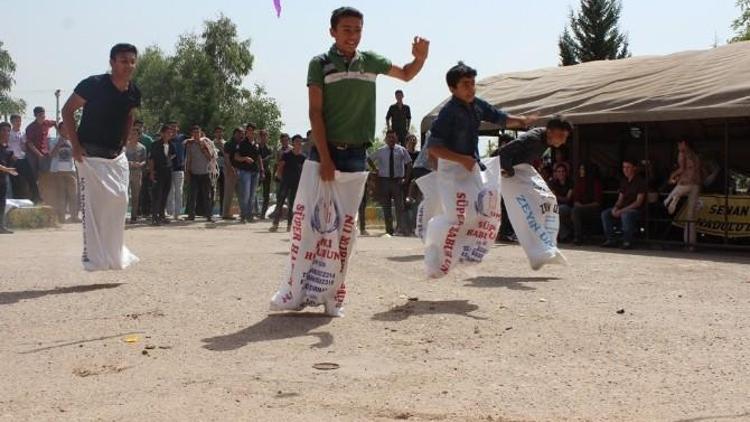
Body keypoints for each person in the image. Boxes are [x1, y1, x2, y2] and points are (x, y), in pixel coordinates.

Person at [301, 6, 429, 315]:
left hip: (357, 154)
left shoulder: (370, 60)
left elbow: (407, 74)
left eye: (358, 29)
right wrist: (327, 158)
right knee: (314, 224)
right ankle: (301, 289)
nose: (352, 35)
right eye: (346, 29)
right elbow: (315, 112)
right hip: (324, 152)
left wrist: (421, 57)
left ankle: (333, 295)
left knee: (346, 228)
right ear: (332, 31)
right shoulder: (319, 64)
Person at [61, 43, 142, 270]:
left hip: (116, 155)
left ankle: (114, 256)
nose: (129, 65)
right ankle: (93, 259)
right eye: (124, 61)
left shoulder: (134, 92)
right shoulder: (94, 85)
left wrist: (125, 141)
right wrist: (75, 146)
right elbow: (67, 110)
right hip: (90, 155)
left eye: (132, 61)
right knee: (93, 208)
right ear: (112, 62)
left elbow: (129, 116)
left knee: (120, 201)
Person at [428, 62, 540, 173]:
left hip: (473, 168)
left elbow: (501, 118)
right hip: (452, 173)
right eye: (465, 84)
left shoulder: (478, 105)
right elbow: (433, 148)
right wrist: (462, 160)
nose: (471, 88)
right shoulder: (448, 112)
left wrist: (522, 120)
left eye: (473, 83)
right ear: (452, 89)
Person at [368, 129, 412, 235]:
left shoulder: (401, 150)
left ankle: (400, 229)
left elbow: (409, 164)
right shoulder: (381, 150)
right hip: (384, 181)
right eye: (389, 137)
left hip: (398, 181)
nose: (391, 139)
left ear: (396, 138)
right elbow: (369, 159)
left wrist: (406, 178)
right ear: (386, 139)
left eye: (393, 137)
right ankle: (389, 230)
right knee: (386, 207)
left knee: (399, 207)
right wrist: (375, 169)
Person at [601, 159, 647, 250]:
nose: (625, 170)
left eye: (628, 167)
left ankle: (627, 241)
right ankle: (611, 239)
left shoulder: (641, 182)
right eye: (624, 167)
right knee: (605, 213)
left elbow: (638, 202)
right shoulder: (624, 181)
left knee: (626, 215)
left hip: (636, 210)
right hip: (623, 208)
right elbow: (620, 198)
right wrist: (616, 207)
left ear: (634, 168)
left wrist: (622, 210)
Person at [664, 139, 702, 249]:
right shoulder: (696, 156)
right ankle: (690, 245)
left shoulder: (682, 153)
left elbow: (682, 169)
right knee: (690, 217)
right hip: (696, 184)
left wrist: (672, 175)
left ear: (684, 143)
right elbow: (695, 170)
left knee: (667, 200)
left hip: (686, 183)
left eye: (679, 144)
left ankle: (674, 198)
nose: (678, 146)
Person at [270, 134, 306, 232]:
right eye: (297, 141)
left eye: (300, 141)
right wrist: (279, 177)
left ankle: (290, 225)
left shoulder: (303, 157)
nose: (299, 143)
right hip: (285, 182)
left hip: (296, 183)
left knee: (292, 204)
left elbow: (304, 171)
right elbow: (280, 167)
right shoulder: (286, 155)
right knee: (280, 203)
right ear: (293, 143)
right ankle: (275, 224)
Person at [47, 122, 80, 223]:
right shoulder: (54, 140)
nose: (66, 131)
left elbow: (77, 155)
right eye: (64, 129)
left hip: (71, 170)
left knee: (73, 194)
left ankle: (74, 216)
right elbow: (51, 155)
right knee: (60, 194)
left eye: (68, 128)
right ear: (60, 130)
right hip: (58, 170)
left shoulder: (73, 141)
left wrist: (72, 144)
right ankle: (61, 217)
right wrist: (59, 144)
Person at [25, 106, 57, 204]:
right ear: (35, 115)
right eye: (40, 115)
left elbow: (55, 123)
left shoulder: (46, 123)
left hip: (45, 153)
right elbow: (29, 143)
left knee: (45, 176)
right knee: (33, 176)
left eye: (43, 114)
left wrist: (60, 134)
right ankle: (33, 198)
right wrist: (38, 154)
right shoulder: (30, 127)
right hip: (33, 154)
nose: (42, 116)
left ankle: (44, 198)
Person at [184, 125, 216, 222]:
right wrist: (187, 171)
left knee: (207, 195)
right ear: (192, 134)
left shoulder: (206, 143)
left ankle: (209, 215)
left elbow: (210, 157)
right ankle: (191, 215)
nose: (196, 134)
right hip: (194, 173)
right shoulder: (190, 144)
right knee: (192, 195)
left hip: (205, 173)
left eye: (198, 132)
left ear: (200, 133)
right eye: (194, 132)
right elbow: (189, 159)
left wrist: (203, 148)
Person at [234, 123, 263, 223]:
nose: (250, 132)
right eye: (249, 130)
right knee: (245, 194)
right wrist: (245, 158)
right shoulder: (241, 143)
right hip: (245, 171)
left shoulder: (256, 144)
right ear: (246, 131)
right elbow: (236, 157)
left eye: (252, 130)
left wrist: (262, 170)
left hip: (255, 171)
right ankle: (243, 215)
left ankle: (249, 215)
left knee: (252, 195)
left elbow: (259, 158)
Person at [149, 125, 175, 226]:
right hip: (158, 172)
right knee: (157, 195)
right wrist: (151, 172)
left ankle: (162, 216)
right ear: (162, 133)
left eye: (171, 133)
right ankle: (154, 218)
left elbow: (172, 157)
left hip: (168, 172)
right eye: (168, 132)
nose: (170, 134)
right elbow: (151, 159)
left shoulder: (171, 145)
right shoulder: (155, 144)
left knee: (165, 195)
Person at [571, 162, 603, 245]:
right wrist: (577, 203)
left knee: (576, 211)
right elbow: (576, 198)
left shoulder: (595, 183)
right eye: (580, 169)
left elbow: (597, 202)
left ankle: (578, 237)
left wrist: (583, 206)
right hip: (580, 208)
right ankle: (576, 236)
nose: (581, 171)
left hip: (593, 208)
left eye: (582, 169)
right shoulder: (579, 182)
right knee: (575, 210)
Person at [8, 114, 38, 202]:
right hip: (13, 160)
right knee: (15, 181)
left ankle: (36, 198)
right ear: (12, 122)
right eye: (16, 121)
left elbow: (24, 147)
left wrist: (23, 145)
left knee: (31, 178)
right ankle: (16, 200)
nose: (19, 123)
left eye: (20, 121)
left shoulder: (23, 133)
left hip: (22, 159)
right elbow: (6, 146)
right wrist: (10, 155)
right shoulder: (9, 133)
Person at [125, 127, 147, 223]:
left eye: (135, 134)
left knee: (136, 195)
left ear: (138, 136)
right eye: (131, 133)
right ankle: (123, 215)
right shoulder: (125, 147)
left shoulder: (142, 147)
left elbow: (145, 160)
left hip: (137, 172)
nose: (133, 135)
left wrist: (140, 164)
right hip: (126, 172)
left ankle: (134, 216)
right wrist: (130, 163)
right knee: (124, 194)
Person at [0, 122, 18, 234]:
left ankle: (1, 227)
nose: (6, 133)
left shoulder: (6, 149)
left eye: (8, 131)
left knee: (2, 203)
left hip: (2, 180)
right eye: (3, 130)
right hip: (3, 175)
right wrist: (6, 169)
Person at [166, 121, 186, 220]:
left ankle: (178, 213)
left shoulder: (182, 138)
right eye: (171, 127)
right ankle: (170, 213)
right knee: (170, 191)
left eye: (175, 127)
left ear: (178, 128)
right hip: (168, 169)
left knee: (179, 191)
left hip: (179, 169)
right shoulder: (166, 139)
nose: (173, 129)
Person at [135, 120, 154, 218]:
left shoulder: (148, 140)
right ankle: (136, 211)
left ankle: (147, 211)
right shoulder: (130, 138)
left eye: (140, 127)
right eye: (137, 127)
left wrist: (149, 168)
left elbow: (151, 155)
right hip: (133, 169)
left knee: (146, 190)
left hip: (145, 168)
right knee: (136, 191)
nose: (139, 129)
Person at [222, 127, 243, 219]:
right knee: (229, 193)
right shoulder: (229, 143)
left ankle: (244, 212)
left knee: (241, 193)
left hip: (241, 170)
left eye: (242, 133)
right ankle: (226, 213)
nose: (240, 135)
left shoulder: (242, 143)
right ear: (234, 133)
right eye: (239, 133)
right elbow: (226, 157)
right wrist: (230, 169)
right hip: (230, 169)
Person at [549, 163, 573, 242]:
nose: (561, 173)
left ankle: (563, 235)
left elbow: (568, 199)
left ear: (566, 173)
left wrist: (557, 197)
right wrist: (558, 197)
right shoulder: (553, 183)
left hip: (568, 207)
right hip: (556, 205)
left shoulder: (570, 183)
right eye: (559, 171)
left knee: (558, 210)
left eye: (562, 171)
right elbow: (552, 197)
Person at [257, 129, 274, 219]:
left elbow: (270, 158)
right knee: (253, 192)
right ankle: (254, 211)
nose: (264, 137)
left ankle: (263, 214)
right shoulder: (256, 147)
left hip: (267, 171)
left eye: (265, 136)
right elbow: (257, 158)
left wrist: (263, 160)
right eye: (262, 136)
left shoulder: (269, 148)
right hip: (257, 171)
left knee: (266, 194)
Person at [212, 126, 226, 217]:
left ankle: (222, 211)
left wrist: (222, 147)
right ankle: (210, 211)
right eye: (217, 132)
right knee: (213, 190)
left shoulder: (226, 143)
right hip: (214, 168)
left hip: (224, 168)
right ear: (215, 133)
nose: (219, 134)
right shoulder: (211, 143)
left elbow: (227, 155)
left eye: (220, 132)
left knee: (223, 191)